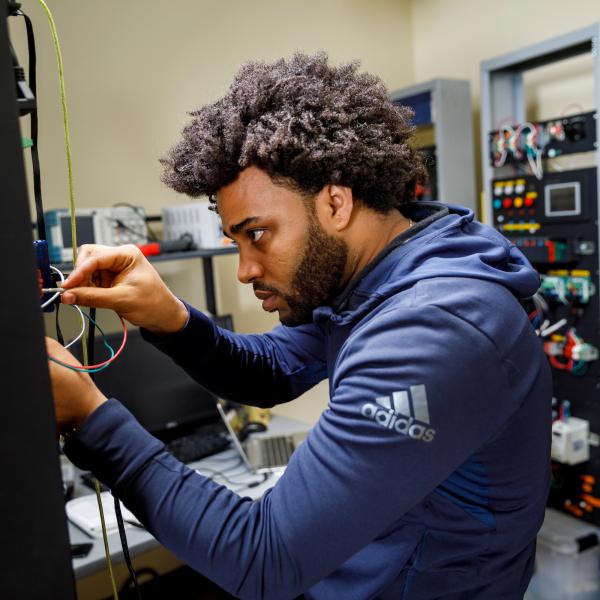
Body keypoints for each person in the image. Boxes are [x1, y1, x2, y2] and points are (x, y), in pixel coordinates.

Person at [46, 53, 551, 599]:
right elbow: (274, 372)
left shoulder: (433, 329)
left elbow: (263, 557)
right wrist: (172, 321)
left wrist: (88, 419)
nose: (245, 270)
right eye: (234, 241)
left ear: (335, 202)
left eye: (257, 234)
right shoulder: (382, 273)